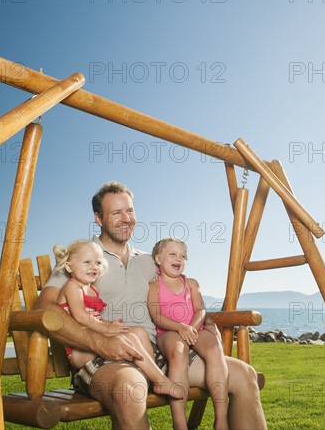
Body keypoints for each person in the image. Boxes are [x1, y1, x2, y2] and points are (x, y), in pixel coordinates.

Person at [34, 181, 267, 429]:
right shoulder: (83, 258)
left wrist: (202, 320)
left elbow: (179, 296)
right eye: (116, 213)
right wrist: (99, 342)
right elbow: (45, 309)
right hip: (105, 358)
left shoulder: (150, 261)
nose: (126, 219)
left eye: (130, 211)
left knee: (244, 375)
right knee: (129, 389)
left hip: (159, 354)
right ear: (98, 218)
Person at [53, 239, 183, 399]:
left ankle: (148, 375)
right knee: (129, 338)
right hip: (79, 350)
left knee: (137, 332)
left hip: (94, 340)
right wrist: (107, 329)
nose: (94, 267)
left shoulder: (91, 288)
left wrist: (110, 324)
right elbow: (81, 317)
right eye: (87, 262)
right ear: (69, 266)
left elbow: (95, 319)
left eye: (98, 263)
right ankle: (160, 380)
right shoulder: (72, 286)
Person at [148, 237, 229, 430]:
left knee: (214, 346)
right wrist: (180, 328)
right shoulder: (154, 286)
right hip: (168, 332)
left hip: (194, 328)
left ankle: (221, 418)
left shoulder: (191, 283)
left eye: (183, 256)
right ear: (158, 259)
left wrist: (191, 327)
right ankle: (180, 423)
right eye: (173, 254)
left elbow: (200, 309)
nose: (179, 259)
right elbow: (157, 316)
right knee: (178, 350)